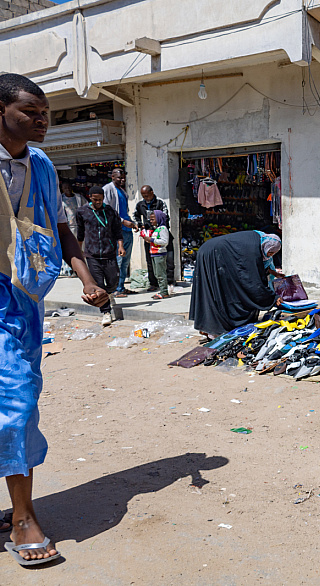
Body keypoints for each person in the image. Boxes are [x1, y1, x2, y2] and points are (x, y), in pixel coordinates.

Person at [0, 73, 108, 565]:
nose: (42, 122)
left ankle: (22, 515)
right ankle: (18, 514)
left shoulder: (41, 165)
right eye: (31, 113)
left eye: (45, 114)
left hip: (20, 304)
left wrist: (86, 279)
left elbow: (59, 227)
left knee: (18, 404)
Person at [189, 230, 281, 337]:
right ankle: (212, 329)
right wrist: (272, 298)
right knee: (216, 291)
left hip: (209, 250)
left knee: (219, 289)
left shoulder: (258, 241)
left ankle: (207, 327)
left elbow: (261, 267)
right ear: (266, 246)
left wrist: (274, 273)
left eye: (273, 253)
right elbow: (253, 281)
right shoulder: (253, 250)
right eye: (270, 252)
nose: (270, 255)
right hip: (215, 253)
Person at [76, 185, 124, 325]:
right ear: (90, 198)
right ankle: (106, 312)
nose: (98, 202)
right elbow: (80, 233)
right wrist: (78, 252)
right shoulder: (82, 212)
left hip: (109, 252)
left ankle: (108, 295)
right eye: (95, 200)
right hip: (92, 254)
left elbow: (117, 231)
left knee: (113, 280)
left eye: (100, 200)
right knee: (98, 284)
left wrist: (120, 246)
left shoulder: (110, 211)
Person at [102, 168, 137, 297]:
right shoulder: (107, 189)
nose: (122, 180)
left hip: (127, 230)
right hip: (117, 230)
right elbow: (106, 211)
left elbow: (124, 210)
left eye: (123, 178)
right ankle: (114, 288)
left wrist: (132, 223)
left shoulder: (123, 191)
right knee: (118, 260)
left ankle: (121, 287)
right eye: (119, 178)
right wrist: (122, 221)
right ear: (112, 177)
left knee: (125, 261)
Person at [134, 184, 175, 290]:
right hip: (149, 236)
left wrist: (156, 226)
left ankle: (169, 282)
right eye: (143, 196)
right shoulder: (140, 205)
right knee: (150, 260)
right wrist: (139, 224)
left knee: (168, 260)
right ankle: (153, 283)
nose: (145, 198)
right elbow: (135, 215)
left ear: (152, 193)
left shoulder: (160, 203)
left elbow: (165, 217)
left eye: (147, 195)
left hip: (161, 234)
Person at [139, 210, 171, 299]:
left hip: (160, 254)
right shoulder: (157, 229)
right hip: (154, 254)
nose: (151, 221)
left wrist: (152, 240)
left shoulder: (163, 229)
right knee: (157, 274)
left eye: (153, 219)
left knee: (161, 274)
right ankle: (162, 290)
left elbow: (165, 242)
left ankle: (164, 292)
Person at [59, 180, 87, 276]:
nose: (67, 189)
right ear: (62, 189)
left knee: (80, 247)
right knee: (68, 247)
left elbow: (86, 207)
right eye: (65, 188)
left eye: (68, 187)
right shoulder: (60, 200)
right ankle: (68, 270)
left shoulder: (79, 198)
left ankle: (80, 269)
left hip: (79, 226)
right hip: (67, 227)